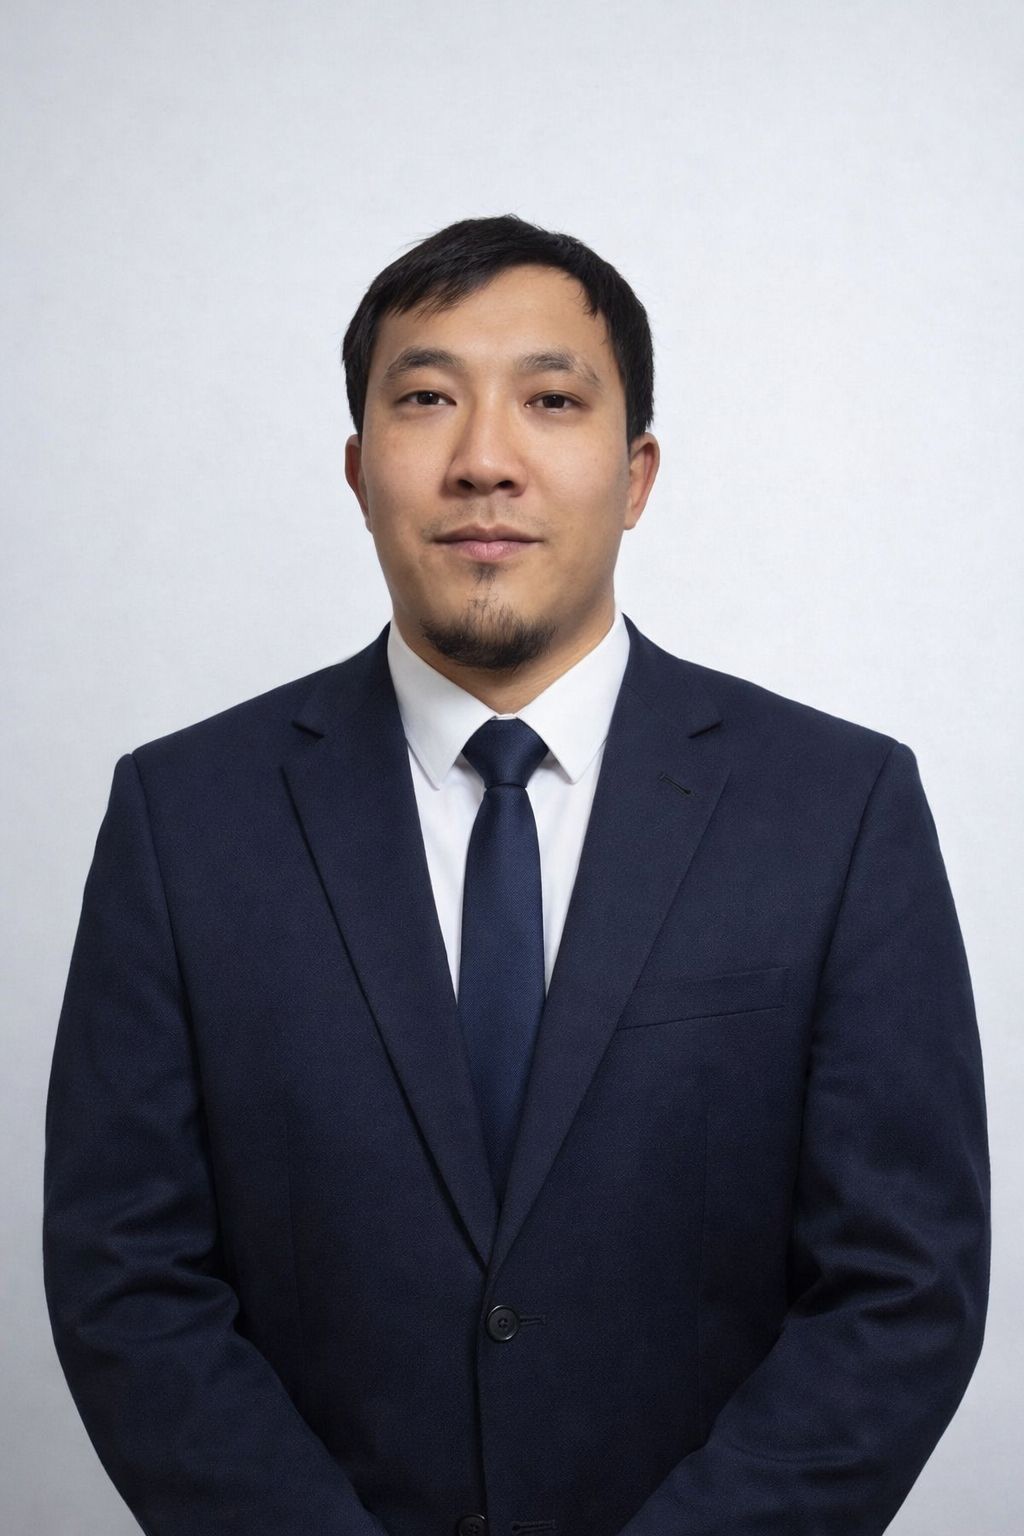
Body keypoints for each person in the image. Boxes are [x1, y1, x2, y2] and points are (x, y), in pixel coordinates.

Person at [43, 214, 990, 1536]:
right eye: (427, 399)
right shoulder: (183, 816)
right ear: (359, 469)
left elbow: (904, 1284)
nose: (485, 460)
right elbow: (126, 1276)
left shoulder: (839, 809)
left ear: (637, 472)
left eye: (551, 400)